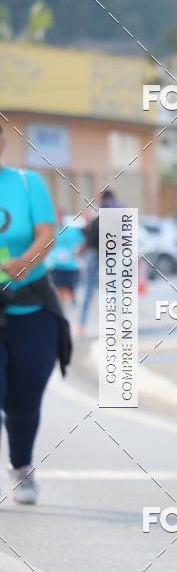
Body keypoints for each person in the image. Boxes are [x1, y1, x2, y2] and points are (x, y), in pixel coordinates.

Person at [0, 123, 71, 505]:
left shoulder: (28, 183)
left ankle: (21, 465)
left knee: (24, 397)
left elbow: (47, 233)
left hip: (31, 303)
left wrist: (24, 261)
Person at [78, 189, 118, 335]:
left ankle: (82, 325)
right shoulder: (116, 212)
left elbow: (89, 233)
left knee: (89, 290)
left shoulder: (98, 211)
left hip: (94, 254)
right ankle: (115, 325)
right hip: (108, 255)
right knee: (111, 291)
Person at [47, 208, 85, 305]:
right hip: (56, 266)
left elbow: (82, 242)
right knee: (59, 289)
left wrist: (78, 251)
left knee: (70, 290)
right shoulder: (52, 232)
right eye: (56, 216)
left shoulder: (72, 230)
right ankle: (62, 306)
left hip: (70, 266)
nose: (58, 218)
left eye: (60, 216)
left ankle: (71, 302)